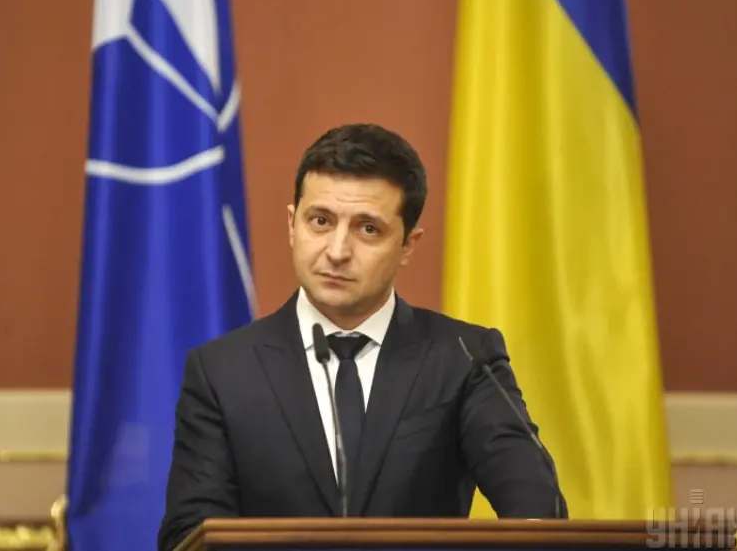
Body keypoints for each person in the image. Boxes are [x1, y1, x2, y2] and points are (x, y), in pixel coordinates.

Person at [157, 123, 567, 551]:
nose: (337, 251)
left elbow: (538, 510)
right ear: (292, 224)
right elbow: (189, 532)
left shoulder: (465, 357)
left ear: (408, 244)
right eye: (321, 221)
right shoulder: (222, 371)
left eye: (368, 229)